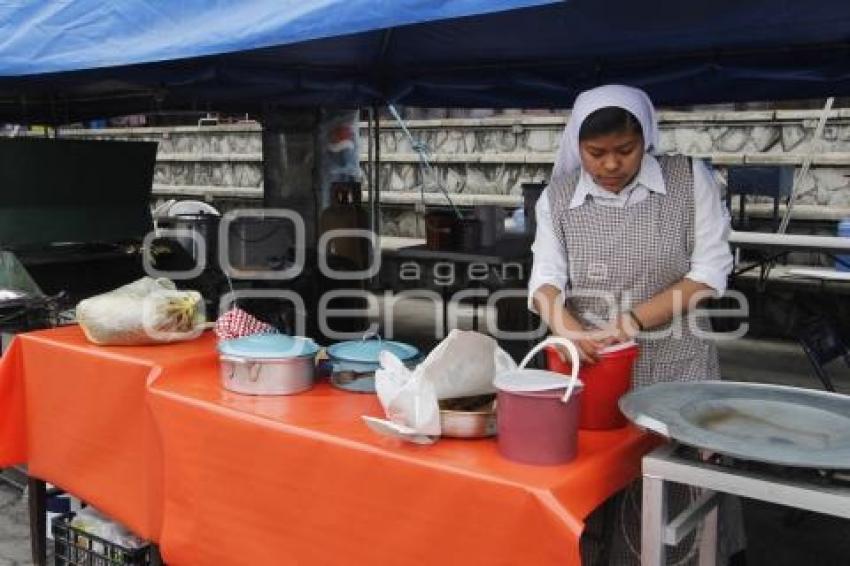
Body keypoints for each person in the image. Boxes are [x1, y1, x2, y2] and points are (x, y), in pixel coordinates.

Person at [528, 85, 744, 564]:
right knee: (600, 481)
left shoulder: (689, 180)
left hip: (677, 363)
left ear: (645, 139)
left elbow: (709, 273)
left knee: (682, 480)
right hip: (595, 370)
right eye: (595, 153)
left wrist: (630, 321)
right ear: (575, 148)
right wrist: (564, 326)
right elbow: (544, 280)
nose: (610, 165)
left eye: (624, 151)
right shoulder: (558, 197)